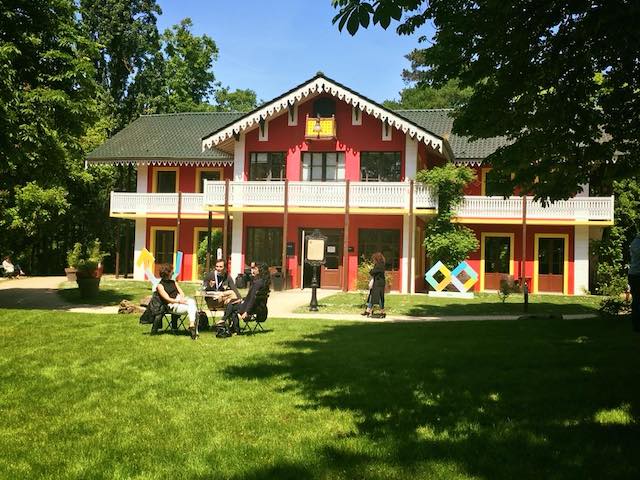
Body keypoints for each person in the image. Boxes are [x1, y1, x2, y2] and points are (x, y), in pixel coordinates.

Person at [221, 262, 270, 335]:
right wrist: (241, 300)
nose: (252, 270)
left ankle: (227, 324)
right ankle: (231, 327)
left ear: (259, 270)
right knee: (233, 304)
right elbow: (252, 298)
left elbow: (252, 299)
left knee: (231, 305)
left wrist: (246, 312)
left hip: (251, 308)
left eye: (255, 269)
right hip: (259, 308)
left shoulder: (257, 283)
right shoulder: (264, 283)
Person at [156, 263, 199, 339]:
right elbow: (167, 299)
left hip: (180, 301)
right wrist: (178, 301)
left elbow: (181, 292)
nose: (173, 273)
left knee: (192, 302)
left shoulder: (173, 282)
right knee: (194, 309)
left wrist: (181, 298)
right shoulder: (160, 286)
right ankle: (193, 329)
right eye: (172, 271)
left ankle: (192, 325)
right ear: (167, 273)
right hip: (172, 306)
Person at [362, 252, 386, 318]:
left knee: (380, 298)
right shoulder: (379, 264)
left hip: (379, 284)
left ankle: (382, 312)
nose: (373, 260)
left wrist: (371, 270)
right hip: (377, 283)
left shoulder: (380, 265)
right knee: (372, 296)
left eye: (374, 259)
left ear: (377, 259)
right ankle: (368, 310)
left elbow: (373, 272)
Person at [629, 232, 640, 333]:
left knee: (637, 300)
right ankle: (637, 326)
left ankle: (636, 325)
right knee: (637, 301)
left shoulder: (635, 242)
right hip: (637, 275)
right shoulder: (637, 243)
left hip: (634, 275)